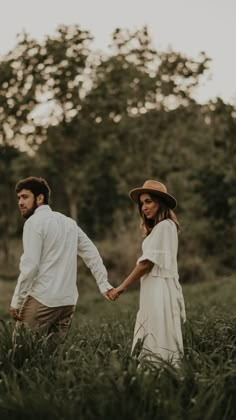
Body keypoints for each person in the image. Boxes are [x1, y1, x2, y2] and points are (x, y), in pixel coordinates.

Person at [10, 176, 114, 342]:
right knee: (50, 360)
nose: (20, 202)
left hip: (42, 300)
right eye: (19, 198)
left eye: (25, 197)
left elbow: (30, 266)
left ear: (40, 198)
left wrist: (17, 300)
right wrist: (103, 284)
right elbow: (91, 252)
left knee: (21, 354)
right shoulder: (69, 223)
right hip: (67, 303)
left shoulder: (34, 222)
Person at [110, 180, 186, 365]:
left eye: (149, 201)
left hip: (160, 289)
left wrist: (121, 287)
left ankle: (161, 376)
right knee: (154, 332)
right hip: (154, 288)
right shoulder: (164, 227)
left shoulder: (164, 226)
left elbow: (146, 264)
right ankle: (156, 377)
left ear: (160, 202)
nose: (144, 207)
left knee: (158, 334)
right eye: (142, 203)